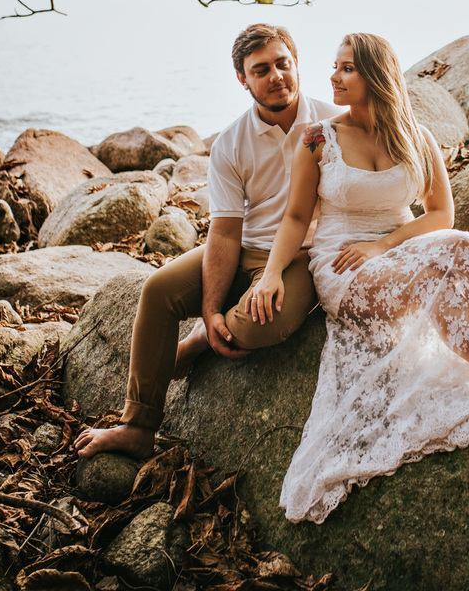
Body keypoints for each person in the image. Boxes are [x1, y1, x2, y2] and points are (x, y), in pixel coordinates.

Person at [248, 32, 469, 525]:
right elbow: (293, 219)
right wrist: (270, 275)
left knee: (457, 250)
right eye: (334, 67)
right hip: (343, 267)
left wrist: (384, 244)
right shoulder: (317, 138)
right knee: (454, 257)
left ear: (375, 75)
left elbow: (441, 214)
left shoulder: (417, 137)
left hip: (401, 252)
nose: (332, 77)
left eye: (346, 68)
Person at [74, 23, 340, 459]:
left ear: (296, 63)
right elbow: (225, 230)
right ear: (243, 79)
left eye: (282, 64)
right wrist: (211, 307)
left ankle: (198, 342)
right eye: (261, 70)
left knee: (264, 325)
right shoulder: (231, 144)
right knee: (158, 290)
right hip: (246, 247)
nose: (276, 76)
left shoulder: (333, 123)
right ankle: (138, 426)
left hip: (301, 255)